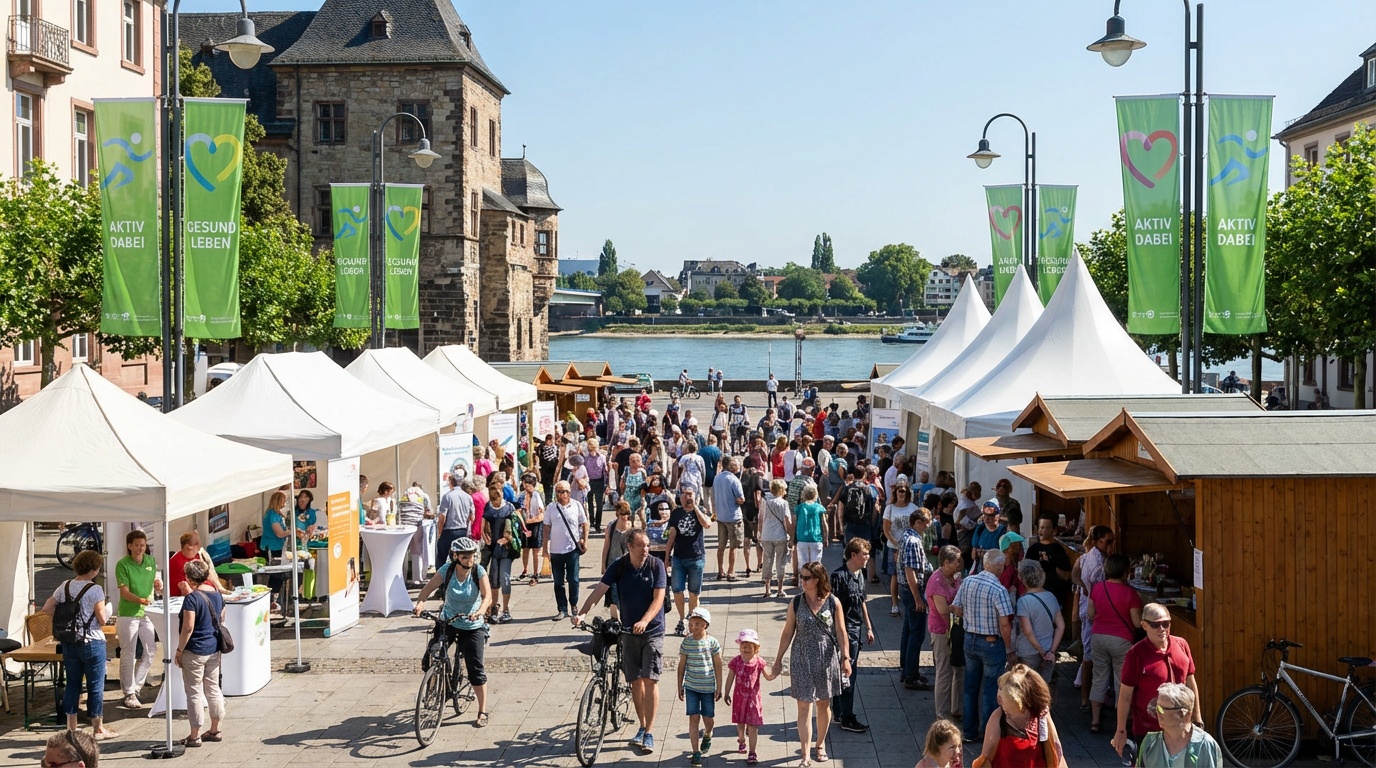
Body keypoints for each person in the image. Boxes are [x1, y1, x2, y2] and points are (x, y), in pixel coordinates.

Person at [572, 530, 668, 755]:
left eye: (647, 545)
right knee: (635, 680)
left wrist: (645, 620)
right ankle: (642, 726)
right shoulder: (620, 565)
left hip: (652, 630)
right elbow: (599, 590)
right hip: (628, 631)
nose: (646, 549)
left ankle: (649, 732)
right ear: (629, 547)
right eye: (641, 546)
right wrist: (582, 614)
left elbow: (659, 598)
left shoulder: (656, 566)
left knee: (650, 679)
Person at [771, 561, 850, 768]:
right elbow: (788, 632)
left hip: (826, 658)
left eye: (806, 578)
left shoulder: (833, 602)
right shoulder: (796, 603)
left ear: (817, 579)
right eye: (801, 577)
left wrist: (846, 658)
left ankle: (820, 744)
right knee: (804, 706)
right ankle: (805, 753)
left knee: (823, 704)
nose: (802, 581)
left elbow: (841, 632)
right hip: (801, 657)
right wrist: (778, 660)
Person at [414, 537, 492, 728]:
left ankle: (482, 710)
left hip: (472, 624)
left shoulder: (478, 571)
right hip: (448, 620)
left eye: (472, 556)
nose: (469, 560)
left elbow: (487, 596)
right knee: (434, 653)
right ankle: (436, 683)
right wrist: (420, 603)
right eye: (465, 557)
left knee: (475, 670)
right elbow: (427, 590)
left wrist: (480, 612)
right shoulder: (446, 570)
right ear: (456, 556)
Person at [1112, 603, 1203, 758]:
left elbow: (1190, 683)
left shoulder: (1181, 645)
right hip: (1149, 731)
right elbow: (1125, 696)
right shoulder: (1135, 654)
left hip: (1181, 727)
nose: (1162, 629)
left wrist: (1197, 718)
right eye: (1155, 625)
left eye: (1165, 623)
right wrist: (1121, 730)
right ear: (1144, 625)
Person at [43, 550, 116, 739]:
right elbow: (101, 618)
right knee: (95, 685)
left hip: (69, 642)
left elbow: (47, 608)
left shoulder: (65, 586)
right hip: (92, 641)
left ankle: (71, 728)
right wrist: (108, 610)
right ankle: (98, 728)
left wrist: (64, 618)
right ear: (93, 569)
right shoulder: (95, 589)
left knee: (72, 684)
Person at [952, 549, 1016, 743]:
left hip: (969, 639)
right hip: (990, 643)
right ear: (1001, 567)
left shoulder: (968, 581)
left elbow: (956, 609)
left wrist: (972, 618)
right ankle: (989, 732)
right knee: (990, 689)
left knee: (970, 687)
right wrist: (1009, 649)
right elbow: (1005, 623)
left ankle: (969, 732)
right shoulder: (999, 590)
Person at [974, 664, 1068, 768]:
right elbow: (985, 760)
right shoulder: (998, 717)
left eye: (1009, 713)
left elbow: (1055, 753)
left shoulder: (1041, 715)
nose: (1001, 705)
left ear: (1024, 704)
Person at [1088, 553, 1142, 733]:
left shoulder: (1097, 588)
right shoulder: (1130, 593)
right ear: (1126, 571)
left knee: (1099, 678)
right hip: (1121, 640)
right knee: (1122, 681)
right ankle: (1121, 725)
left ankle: (1095, 721)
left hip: (1098, 637)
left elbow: (1090, 614)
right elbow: (1136, 622)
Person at [175, 559, 226, 747]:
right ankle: (215, 728)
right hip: (213, 648)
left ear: (188, 577)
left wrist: (180, 650)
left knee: (194, 692)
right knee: (213, 688)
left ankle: (194, 734)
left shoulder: (192, 598)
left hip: (195, 649)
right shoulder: (217, 594)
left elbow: (188, 627)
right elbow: (221, 618)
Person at [830, 538, 875, 734]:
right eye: (864, 554)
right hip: (844, 631)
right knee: (848, 672)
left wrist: (869, 626)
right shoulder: (838, 577)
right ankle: (846, 715)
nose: (868, 558)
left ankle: (840, 712)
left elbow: (862, 601)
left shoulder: (859, 575)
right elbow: (834, 608)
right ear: (853, 555)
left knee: (847, 672)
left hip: (856, 630)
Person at [115, 529, 162, 710]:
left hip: (147, 611)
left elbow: (157, 585)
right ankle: (129, 692)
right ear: (129, 546)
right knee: (129, 652)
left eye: (143, 545)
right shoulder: (122, 564)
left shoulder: (150, 561)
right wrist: (139, 600)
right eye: (137, 545)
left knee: (150, 649)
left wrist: (158, 585)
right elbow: (124, 592)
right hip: (128, 613)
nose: (140, 548)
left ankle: (136, 686)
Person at [1130, 682, 1222, 768]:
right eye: (1157, 707)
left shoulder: (1205, 745)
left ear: (1186, 715)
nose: (1158, 713)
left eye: (1163, 709)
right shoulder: (1150, 743)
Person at [1072, 525, 1114, 709]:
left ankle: (1089, 695)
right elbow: (1101, 593)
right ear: (1098, 542)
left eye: (1112, 541)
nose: (1112, 545)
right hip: (1093, 613)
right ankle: (1085, 699)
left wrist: (1081, 585)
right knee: (1090, 657)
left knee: (1092, 656)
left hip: (1086, 607)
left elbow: (1074, 572)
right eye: (1108, 541)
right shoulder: (1099, 566)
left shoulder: (1087, 556)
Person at [676, 607, 722, 767]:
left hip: (708, 688)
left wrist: (719, 687)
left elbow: (718, 666)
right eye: (691, 624)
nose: (692, 627)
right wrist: (679, 685)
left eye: (697, 624)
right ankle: (696, 751)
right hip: (691, 687)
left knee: (708, 719)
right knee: (693, 718)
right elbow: (681, 666)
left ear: (705, 625)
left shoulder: (712, 643)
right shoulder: (687, 642)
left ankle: (708, 733)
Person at [725, 628, 776, 767]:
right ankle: (741, 740)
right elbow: (730, 678)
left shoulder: (759, 662)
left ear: (756, 648)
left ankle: (752, 752)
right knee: (740, 723)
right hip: (739, 698)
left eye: (749, 646)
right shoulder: (735, 661)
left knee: (753, 725)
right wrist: (726, 692)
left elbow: (767, 676)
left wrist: (774, 674)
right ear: (739, 646)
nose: (746, 648)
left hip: (754, 699)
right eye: (743, 645)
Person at [925, 544, 964, 721]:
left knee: (958, 668)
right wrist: (958, 609)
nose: (960, 563)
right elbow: (943, 609)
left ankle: (956, 708)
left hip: (954, 629)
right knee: (944, 671)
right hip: (941, 631)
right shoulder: (936, 582)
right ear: (946, 562)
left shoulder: (954, 577)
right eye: (957, 561)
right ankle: (942, 712)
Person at [665, 487, 711, 636]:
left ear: (695, 496)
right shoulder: (676, 513)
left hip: (696, 558)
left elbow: (707, 524)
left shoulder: (700, 510)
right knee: (677, 590)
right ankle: (682, 619)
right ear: (680, 497)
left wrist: (696, 508)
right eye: (684, 494)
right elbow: (671, 536)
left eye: (690, 494)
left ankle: (692, 620)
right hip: (679, 557)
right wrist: (667, 558)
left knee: (694, 593)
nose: (687, 497)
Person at [899, 508, 935, 691]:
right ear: (916, 522)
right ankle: (911, 676)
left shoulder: (907, 536)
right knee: (916, 634)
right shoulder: (913, 541)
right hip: (912, 590)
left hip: (905, 589)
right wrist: (917, 598)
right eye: (925, 522)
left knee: (908, 630)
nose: (927, 526)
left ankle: (906, 669)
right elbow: (910, 571)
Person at [543, 480, 589, 621]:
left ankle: (574, 604)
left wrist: (585, 540)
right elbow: (546, 529)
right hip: (556, 550)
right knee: (558, 582)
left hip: (572, 549)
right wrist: (545, 549)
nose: (561, 494)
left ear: (569, 492)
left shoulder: (576, 505)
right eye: (559, 491)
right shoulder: (551, 508)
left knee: (573, 579)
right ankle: (562, 609)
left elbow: (585, 523)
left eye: (564, 491)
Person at [1014, 559, 1065, 682]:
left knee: (1026, 690)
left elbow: (1028, 632)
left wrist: (1041, 652)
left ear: (1022, 579)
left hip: (1028, 652)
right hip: (1048, 650)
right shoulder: (1051, 596)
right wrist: (1051, 652)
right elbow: (1061, 626)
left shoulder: (1023, 601)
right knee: (1042, 690)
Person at [482, 484, 523, 623]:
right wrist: (484, 536)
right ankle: (494, 607)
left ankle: (506, 610)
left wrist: (509, 538)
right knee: (493, 579)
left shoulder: (509, 507)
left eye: (497, 498)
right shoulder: (488, 507)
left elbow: (517, 523)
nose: (495, 502)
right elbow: (483, 524)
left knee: (504, 578)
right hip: (493, 549)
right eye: (493, 499)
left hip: (506, 549)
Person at [1026, 515, 1073, 625]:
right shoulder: (1032, 550)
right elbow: (1025, 574)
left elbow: (1066, 575)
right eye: (1041, 527)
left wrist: (1052, 565)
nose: (1042, 531)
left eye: (1046, 528)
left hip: (1054, 596)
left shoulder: (1059, 550)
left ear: (1054, 530)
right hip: (1035, 596)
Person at [883, 482, 919, 618]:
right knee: (895, 575)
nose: (901, 493)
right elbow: (886, 529)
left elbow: (917, 526)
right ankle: (894, 604)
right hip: (894, 547)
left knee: (911, 574)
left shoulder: (913, 507)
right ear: (895, 493)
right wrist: (896, 545)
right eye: (899, 491)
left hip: (910, 547)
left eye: (904, 491)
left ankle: (912, 602)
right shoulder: (890, 508)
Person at [169, 530, 231, 598]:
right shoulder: (177, 562)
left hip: (201, 593)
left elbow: (208, 572)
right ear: (189, 546)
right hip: (183, 597)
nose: (200, 545)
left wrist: (220, 587)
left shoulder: (198, 555)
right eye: (197, 543)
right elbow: (186, 588)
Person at [712, 456, 746, 582]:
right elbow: (741, 499)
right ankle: (731, 571)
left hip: (721, 516)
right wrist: (738, 500)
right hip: (733, 516)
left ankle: (721, 571)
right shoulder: (734, 480)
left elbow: (713, 495)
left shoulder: (717, 478)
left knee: (721, 546)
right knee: (733, 546)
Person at [758, 479, 794, 599]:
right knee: (780, 562)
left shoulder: (765, 502)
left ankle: (767, 589)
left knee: (767, 561)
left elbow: (761, 518)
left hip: (767, 535)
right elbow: (787, 521)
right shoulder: (784, 503)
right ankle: (780, 589)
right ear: (782, 490)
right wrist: (791, 535)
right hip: (780, 536)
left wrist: (759, 532)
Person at [602, 500, 637, 622]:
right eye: (622, 514)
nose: (624, 516)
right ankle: (614, 620)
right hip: (612, 563)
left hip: (627, 564)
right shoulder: (611, 526)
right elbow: (606, 546)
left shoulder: (631, 527)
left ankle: (626, 618)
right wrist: (603, 565)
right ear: (617, 513)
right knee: (612, 593)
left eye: (626, 513)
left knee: (625, 592)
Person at [437, 474, 474, 569]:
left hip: (448, 531)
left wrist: (439, 531)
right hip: (462, 530)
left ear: (451, 482)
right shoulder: (468, 497)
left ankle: (440, 580)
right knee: (460, 557)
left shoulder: (447, 496)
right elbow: (472, 516)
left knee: (441, 556)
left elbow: (442, 516)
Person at [516, 474, 545, 586]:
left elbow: (541, 513)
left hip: (535, 524)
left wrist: (531, 520)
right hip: (526, 523)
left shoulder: (537, 495)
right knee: (526, 548)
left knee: (536, 550)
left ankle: (536, 572)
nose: (525, 488)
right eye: (524, 486)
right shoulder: (524, 495)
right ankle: (525, 569)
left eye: (527, 486)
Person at [793, 484, 828, 569]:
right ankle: (815, 582)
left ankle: (802, 582)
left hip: (802, 538)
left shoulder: (799, 507)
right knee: (816, 566)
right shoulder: (820, 508)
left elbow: (794, 523)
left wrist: (792, 538)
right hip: (816, 538)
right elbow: (824, 524)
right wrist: (826, 538)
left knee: (803, 566)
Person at [970, 499, 1007, 575]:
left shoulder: (1003, 531)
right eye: (985, 515)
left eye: (990, 516)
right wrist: (978, 553)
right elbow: (973, 555)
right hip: (981, 569)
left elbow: (1006, 555)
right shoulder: (980, 529)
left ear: (997, 516)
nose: (987, 519)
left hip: (998, 570)